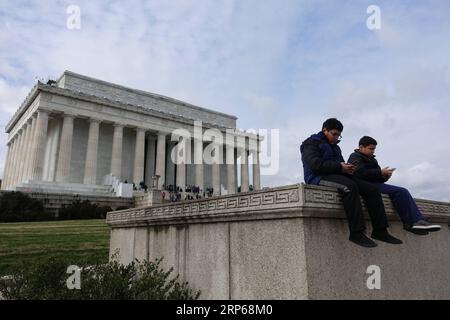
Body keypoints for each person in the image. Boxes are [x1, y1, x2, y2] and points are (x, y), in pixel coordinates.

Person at [300, 118, 402, 248]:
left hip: (336, 174)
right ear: (324, 130)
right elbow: (315, 164)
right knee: (349, 187)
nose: (336, 138)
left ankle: (380, 231)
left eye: (339, 135)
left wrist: (348, 168)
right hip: (317, 177)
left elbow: (340, 164)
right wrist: (339, 167)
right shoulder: (311, 143)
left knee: (371, 189)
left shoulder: (335, 147)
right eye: (334, 134)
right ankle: (356, 233)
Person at [348, 136, 441, 235]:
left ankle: (416, 221)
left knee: (402, 191)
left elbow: (377, 177)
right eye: (371, 149)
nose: (373, 151)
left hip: (375, 184)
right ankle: (412, 222)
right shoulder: (355, 156)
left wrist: (385, 176)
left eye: (374, 149)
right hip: (366, 185)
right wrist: (380, 172)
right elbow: (359, 173)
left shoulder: (372, 160)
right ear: (361, 147)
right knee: (400, 191)